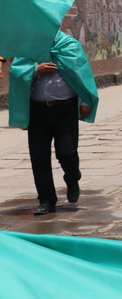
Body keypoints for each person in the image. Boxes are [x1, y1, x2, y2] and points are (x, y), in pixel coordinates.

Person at [8, 31, 99, 215]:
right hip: (37, 110)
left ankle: (72, 177)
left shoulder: (69, 44)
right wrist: (36, 70)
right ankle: (46, 200)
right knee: (39, 157)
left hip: (65, 109)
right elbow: (16, 72)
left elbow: (82, 72)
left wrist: (85, 101)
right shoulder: (28, 44)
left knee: (67, 153)